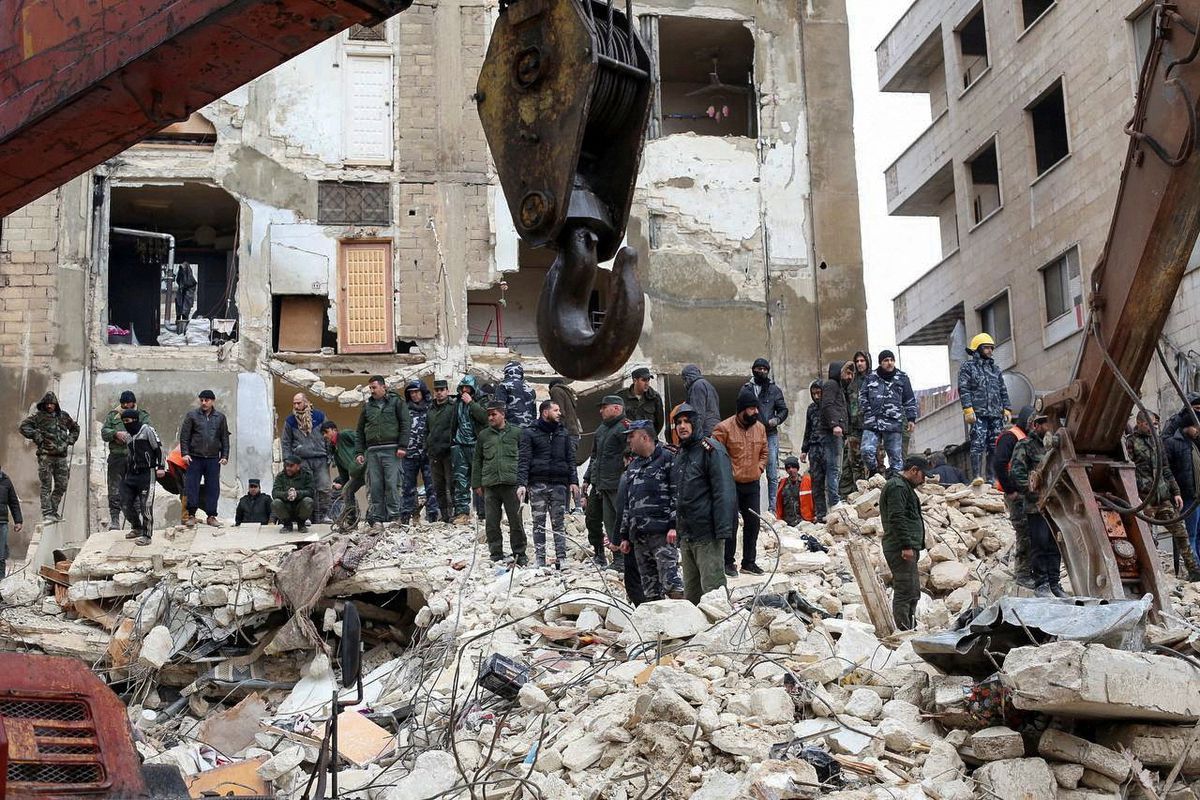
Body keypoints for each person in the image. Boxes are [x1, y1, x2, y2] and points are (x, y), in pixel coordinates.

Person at [671, 404, 737, 604]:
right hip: (687, 535)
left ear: (695, 423)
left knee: (713, 593)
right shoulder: (681, 454)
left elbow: (724, 492)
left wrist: (724, 530)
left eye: (686, 421)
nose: (682, 426)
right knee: (691, 595)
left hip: (708, 534)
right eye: (678, 423)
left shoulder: (711, 450)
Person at [1128, 411, 1200, 580]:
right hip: (1144, 498)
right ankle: (1150, 574)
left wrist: (1176, 492)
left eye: (1155, 425)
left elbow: (1166, 469)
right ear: (1140, 423)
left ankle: (1194, 571)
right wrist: (1134, 496)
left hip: (1162, 496)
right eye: (1149, 424)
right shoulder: (1131, 442)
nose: (1153, 427)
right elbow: (1128, 471)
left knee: (1180, 533)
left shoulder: (1157, 442)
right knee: (1147, 539)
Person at [618, 420, 683, 600]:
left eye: (632, 436)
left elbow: (676, 494)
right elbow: (628, 503)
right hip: (639, 537)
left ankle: (683, 623)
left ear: (645, 437)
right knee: (650, 590)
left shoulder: (668, 459)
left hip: (662, 534)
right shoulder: (633, 466)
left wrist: (674, 525)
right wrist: (624, 536)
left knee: (672, 584)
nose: (629, 441)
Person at [1010, 413, 1067, 597]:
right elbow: (1017, 473)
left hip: (1055, 505)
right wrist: (1032, 492)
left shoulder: (1056, 447)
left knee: (1054, 544)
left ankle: (1054, 583)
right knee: (1040, 543)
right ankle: (1042, 583)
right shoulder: (1025, 446)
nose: (1050, 427)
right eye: (1046, 424)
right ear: (1036, 425)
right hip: (1036, 506)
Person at [713, 386, 768, 576]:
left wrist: (759, 468)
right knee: (730, 523)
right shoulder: (724, 428)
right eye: (752, 408)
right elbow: (715, 455)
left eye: (756, 408)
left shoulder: (760, 428)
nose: (756, 412)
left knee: (753, 522)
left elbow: (764, 452)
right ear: (743, 409)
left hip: (752, 483)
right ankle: (728, 562)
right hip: (731, 484)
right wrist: (725, 475)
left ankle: (749, 562)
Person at [519, 399, 579, 569]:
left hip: (559, 484)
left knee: (558, 522)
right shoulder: (529, 433)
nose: (559, 413)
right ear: (545, 412)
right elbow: (524, 459)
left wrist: (574, 481)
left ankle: (562, 557)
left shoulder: (563, 433)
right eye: (555, 410)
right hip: (537, 484)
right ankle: (540, 558)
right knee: (538, 523)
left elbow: (571, 458)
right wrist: (522, 483)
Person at [880, 455, 932, 630]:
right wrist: (906, 546)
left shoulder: (904, 487)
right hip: (899, 548)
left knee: (912, 591)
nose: (924, 480)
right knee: (905, 591)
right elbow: (897, 517)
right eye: (923, 475)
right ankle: (904, 631)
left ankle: (910, 626)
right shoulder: (897, 487)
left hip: (904, 547)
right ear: (914, 470)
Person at [473, 400, 528, 564]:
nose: (490, 418)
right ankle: (495, 553)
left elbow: (525, 459)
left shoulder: (517, 433)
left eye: (493, 414)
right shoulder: (484, 435)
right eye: (488, 414)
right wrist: (476, 483)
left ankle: (520, 553)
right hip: (490, 485)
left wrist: (524, 482)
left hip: (512, 485)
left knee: (516, 521)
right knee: (491, 522)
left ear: (503, 414)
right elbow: (477, 460)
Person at [354, 376, 411, 528]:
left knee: (392, 484)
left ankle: (394, 517)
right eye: (370, 388)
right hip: (372, 451)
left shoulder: (397, 403)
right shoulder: (367, 407)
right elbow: (359, 431)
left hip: (392, 450)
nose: (371, 391)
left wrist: (402, 446)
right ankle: (377, 518)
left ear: (383, 387)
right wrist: (359, 452)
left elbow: (406, 424)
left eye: (374, 387)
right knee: (375, 486)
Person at [958, 333, 1012, 482]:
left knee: (995, 446)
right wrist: (968, 409)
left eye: (991, 348)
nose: (990, 351)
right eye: (986, 348)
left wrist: (1007, 408)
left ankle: (992, 478)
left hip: (995, 414)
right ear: (977, 349)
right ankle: (976, 476)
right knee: (977, 444)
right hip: (979, 413)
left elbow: (1003, 390)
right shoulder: (968, 368)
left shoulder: (995, 369)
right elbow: (964, 389)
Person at [583, 395, 629, 568]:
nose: (601, 410)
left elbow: (630, 455)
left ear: (617, 408)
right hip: (599, 484)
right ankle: (609, 556)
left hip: (617, 484)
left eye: (605, 407)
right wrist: (587, 478)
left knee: (620, 522)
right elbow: (594, 457)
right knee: (597, 519)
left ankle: (624, 559)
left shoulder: (625, 428)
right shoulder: (601, 429)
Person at [19, 391, 79, 521]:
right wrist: (37, 436)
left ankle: (53, 509)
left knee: (62, 485)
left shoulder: (63, 416)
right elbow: (23, 427)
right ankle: (47, 512)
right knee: (46, 485)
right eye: (47, 404)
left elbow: (75, 428)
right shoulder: (39, 417)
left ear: (56, 404)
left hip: (61, 456)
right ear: (44, 404)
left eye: (52, 404)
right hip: (46, 455)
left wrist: (69, 440)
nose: (50, 406)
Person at [993, 406, 1036, 587]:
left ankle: (1030, 571)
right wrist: (1011, 490)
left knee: (1032, 532)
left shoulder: (1025, 438)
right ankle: (1023, 573)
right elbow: (1000, 463)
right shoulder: (1011, 437)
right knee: (1024, 531)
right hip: (1016, 494)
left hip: (1025, 494)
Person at [859, 350, 918, 477]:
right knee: (866, 451)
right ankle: (874, 472)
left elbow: (909, 400)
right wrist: (868, 411)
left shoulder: (902, 378)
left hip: (893, 423)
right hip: (872, 423)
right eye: (886, 360)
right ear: (880, 363)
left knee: (896, 460)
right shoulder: (871, 377)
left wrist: (911, 419)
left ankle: (894, 483)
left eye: (891, 360)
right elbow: (862, 396)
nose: (889, 363)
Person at [179, 389, 230, 527]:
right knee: (192, 486)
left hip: (213, 458)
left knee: (213, 487)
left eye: (206, 400)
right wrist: (185, 453)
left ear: (212, 401)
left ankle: (211, 516)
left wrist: (225, 455)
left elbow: (224, 437)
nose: (203, 403)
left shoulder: (220, 417)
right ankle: (191, 515)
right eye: (201, 400)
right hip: (194, 457)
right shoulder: (192, 416)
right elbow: (184, 436)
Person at [100, 390, 149, 529]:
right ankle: (114, 520)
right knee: (114, 490)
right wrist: (116, 434)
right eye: (124, 403)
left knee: (137, 491)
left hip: (136, 458)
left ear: (134, 403)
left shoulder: (142, 415)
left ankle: (137, 522)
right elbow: (104, 432)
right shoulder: (113, 415)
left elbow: (149, 430)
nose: (126, 405)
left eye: (129, 403)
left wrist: (131, 435)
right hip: (117, 456)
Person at [743, 358, 788, 503]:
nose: (762, 371)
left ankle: (772, 508)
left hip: (770, 434)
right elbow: (739, 410)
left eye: (765, 369)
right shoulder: (746, 389)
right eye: (759, 368)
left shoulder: (774, 390)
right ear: (753, 369)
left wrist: (777, 420)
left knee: (772, 472)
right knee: (751, 471)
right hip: (750, 435)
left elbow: (783, 410)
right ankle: (752, 505)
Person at [118, 409, 164, 546]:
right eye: (123, 422)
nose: (126, 424)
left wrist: (161, 467)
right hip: (131, 475)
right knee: (124, 502)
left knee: (146, 506)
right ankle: (136, 527)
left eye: (127, 421)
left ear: (135, 420)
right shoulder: (128, 436)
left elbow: (159, 449)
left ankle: (147, 535)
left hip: (147, 474)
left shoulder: (147, 431)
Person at [282, 393, 329, 523]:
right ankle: (305, 516)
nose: (296, 406)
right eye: (294, 403)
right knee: (305, 488)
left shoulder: (320, 416)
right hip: (301, 459)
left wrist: (330, 454)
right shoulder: (290, 421)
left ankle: (324, 515)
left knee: (324, 487)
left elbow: (328, 435)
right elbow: (285, 442)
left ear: (306, 402)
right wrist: (287, 461)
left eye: (299, 403)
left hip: (320, 457)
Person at [450, 376, 488, 524]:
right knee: (460, 479)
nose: (465, 390)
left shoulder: (482, 401)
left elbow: (485, 418)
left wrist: (471, 403)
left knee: (480, 479)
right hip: (460, 445)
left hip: (477, 445)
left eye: (468, 387)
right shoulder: (457, 403)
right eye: (463, 388)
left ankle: (484, 513)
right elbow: (454, 423)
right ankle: (462, 513)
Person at [401, 380, 440, 524]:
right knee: (407, 487)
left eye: (417, 392)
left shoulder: (432, 407)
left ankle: (432, 516)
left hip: (428, 453)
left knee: (431, 486)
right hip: (409, 453)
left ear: (423, 392)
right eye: (411, 393)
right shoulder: (404, 409)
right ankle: (406, 516)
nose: (414, 395)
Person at [816, 362, 853, 511]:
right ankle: (834, 501)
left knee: (837, 469)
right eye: (847, 373)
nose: (849, 377)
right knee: (834, 467)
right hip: (832, 433)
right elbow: (827, 405)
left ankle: (834, 500)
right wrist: (834, 424)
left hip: (837, 433)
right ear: (839, 372)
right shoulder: (831, 385)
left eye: (851, 374)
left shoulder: (839, 388)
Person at [611, 451, 646, 605]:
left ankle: (642, 610)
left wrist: (617, 539)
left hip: (633, 535)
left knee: (633, 580)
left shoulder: (627, 477)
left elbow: (621, 511)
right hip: (655, 535)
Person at [1164, 420, 1200, 566]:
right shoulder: (1173, 443)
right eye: (1195, 426)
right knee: (1189, 534)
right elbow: (1168, 471)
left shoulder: (1195, 444)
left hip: (1197, 497)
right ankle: (1195, 569)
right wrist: (1175, 493)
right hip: (1188, 497)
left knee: (1198, 535)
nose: (1198, 429)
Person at [322, 420, 364, 529]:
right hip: (357, 474)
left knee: (374, 492)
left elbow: (361, 441)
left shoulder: (345, 435)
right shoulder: (335, 452)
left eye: (326, 432)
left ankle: (377, 519)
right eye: (323, 433)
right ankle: (351, 520)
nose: (325, 435)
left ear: (334, 430)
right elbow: (343, 474)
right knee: (348, 490)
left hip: (367, 468)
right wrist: (344, 488)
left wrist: (364, 456)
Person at [840, 351, 871, 497]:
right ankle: (860, 495)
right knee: (855, 463)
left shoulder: (874, 381)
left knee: (874, 460)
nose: (859, 364)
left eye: (862, 361)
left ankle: (877, 492)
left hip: (872, 428)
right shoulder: (851, 384)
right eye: (857, 361)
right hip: (854, 429)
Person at [425, 380, 456, 520]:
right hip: (434, 453)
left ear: (447, 391)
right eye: (436, 390)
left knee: (452, 484)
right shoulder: (430, 408)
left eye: (442, 389)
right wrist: (426, 445)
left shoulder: (453, 406)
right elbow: (427, 430)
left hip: (449, 452)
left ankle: (456, 514)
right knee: (438, 487)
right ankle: (445, 516)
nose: (439, 392)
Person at [800, 381, 827, 521]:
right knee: (817, 482)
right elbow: (808, 429)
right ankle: (821, 513)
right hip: (814, 448)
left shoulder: (829, 406)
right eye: (814, 394)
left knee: (832, 480)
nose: (816, 396)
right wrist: (804, 450)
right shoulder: (811, 409)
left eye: (819, 393)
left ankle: (833, 509)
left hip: (828, 447)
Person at [618, 367, 665, 438]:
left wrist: (650, 437)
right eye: (644, 380)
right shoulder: (621, 396)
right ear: (634, 381)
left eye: (648, 380)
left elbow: (659, 423)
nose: (647, 383)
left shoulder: (655, 397)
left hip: (647, 440)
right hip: (627, 440)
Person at [272, 456, 315, 532]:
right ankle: (287, 525)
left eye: (291, 466)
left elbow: (311, 491)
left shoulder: (306, 475)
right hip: (286, 507)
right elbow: (275, 493)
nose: (288, 468)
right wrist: (286, 495)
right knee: (275, 503)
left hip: (300, 506)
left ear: (298, 466)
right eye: (286, 466)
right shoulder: (280, 476)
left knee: (308, 501)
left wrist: (297, 494)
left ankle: (301, 524)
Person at [494, 360, 537, 429]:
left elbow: (499, 409)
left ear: (506, 372)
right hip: (529, 429)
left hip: (511, 429)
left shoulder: (503, 386)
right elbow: (534, 413)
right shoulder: (530, 389)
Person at [681, 365, 721, 438]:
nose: (684, 383)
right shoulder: (708, 386)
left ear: (687, 377)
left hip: (705, 431)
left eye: (684, 380)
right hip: (715, 429)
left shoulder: (697, 386)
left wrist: (694, 436)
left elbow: (698, 414)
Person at [0, 464, 23, 578]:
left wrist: (18, 521)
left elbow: (13, 502)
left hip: (2, 523)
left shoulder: (6, 481)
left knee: (1, 555)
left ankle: (1, 583)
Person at [775, 456, 805, 527]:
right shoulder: (782, 483)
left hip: (803, 523)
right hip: (786, 524)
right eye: (788, 468)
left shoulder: (805, 482)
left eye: (793, 467)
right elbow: (779, 502)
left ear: (797, 468)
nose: (791, 470)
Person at [174, 263, 197, 333]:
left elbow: (191, 284)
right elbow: (178, 280)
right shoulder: (181, 277)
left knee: (185, 313)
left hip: (186, 296)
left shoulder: (191, 281)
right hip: (181, 294)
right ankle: (178, 329)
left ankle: (184, 330)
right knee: (179, 312)